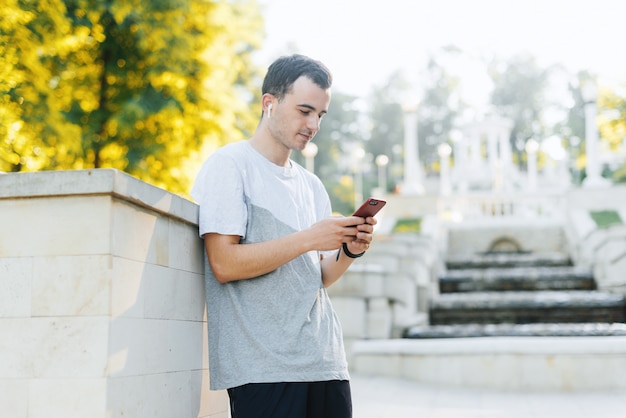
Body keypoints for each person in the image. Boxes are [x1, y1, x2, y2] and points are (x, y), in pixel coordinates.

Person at [191, 54, 377, 418]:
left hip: (326, 362)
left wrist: (349, 251)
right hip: (263, 368)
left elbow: (319, 276)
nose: (313, 124)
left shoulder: (311, 185)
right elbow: (224, 264)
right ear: (269, 103)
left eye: (320, 115)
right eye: (305, 110)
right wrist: (309, 238)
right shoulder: (229, 166)